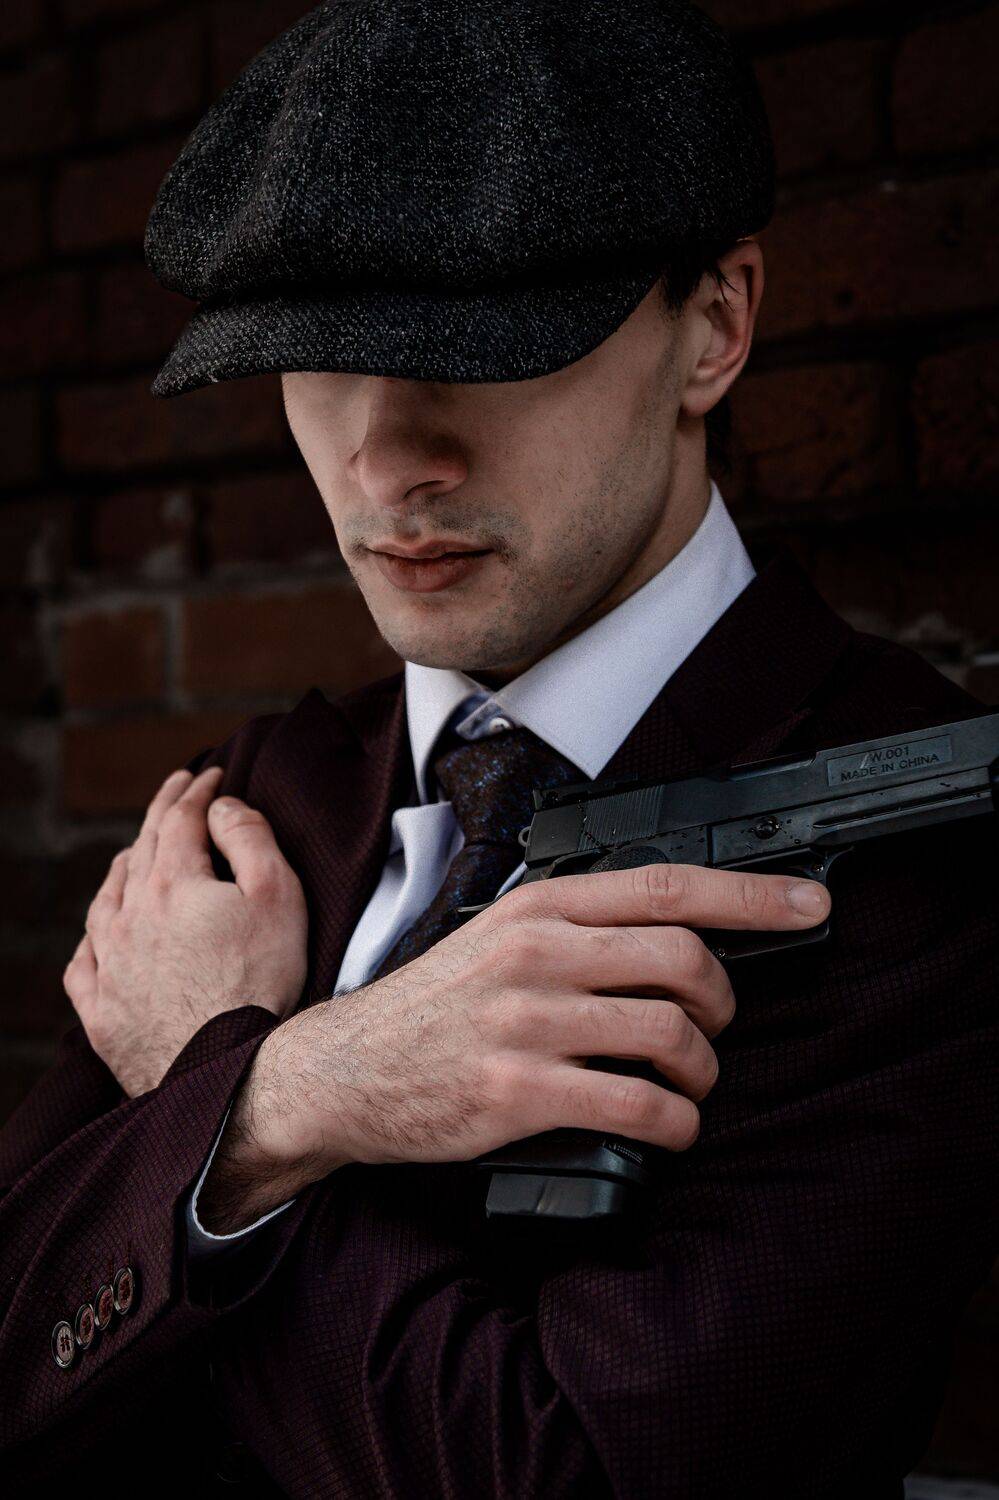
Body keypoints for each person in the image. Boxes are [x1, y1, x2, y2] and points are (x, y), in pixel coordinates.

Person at [1, 2, 996, 1496]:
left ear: (713, 328)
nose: (388, 459)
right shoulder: (262, 800)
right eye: (316, 358)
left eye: (484, 349)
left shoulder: (918, 846)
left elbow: (579, 1475)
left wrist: (226, 1097)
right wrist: (288, 1094)